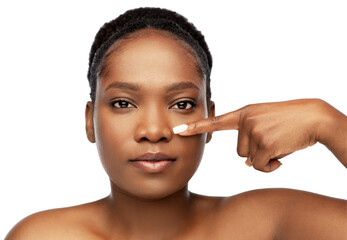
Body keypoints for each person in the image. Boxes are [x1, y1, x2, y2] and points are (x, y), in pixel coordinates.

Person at [6, 7, 346, 239]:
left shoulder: (266, 221)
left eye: (182, 104)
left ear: (210, 118)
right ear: (90, 121)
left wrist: (327, 122)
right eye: (123, 103)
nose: (153, 131)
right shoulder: (44, 235)